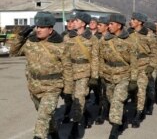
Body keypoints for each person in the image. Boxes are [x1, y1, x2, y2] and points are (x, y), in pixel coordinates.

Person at [10, 11, 74, 139]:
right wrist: (21, 36)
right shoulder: (30, 43)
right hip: (34, 87)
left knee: (43, 117)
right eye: (37, 26)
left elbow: (68, 69)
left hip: (52, 88)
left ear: (50, 29)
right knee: (45, 116)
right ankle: (54, 133)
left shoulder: (61, 46)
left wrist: (68, 90)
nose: (38, 29)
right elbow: (13, 52)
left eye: (42, 27)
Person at [99, 13, 138, 139]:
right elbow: (100, 59)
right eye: (108, 24)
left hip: (123, 76)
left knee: (117, 101)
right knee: (111, 100)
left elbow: (134, 63)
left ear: (119, 25)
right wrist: (101, 74)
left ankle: (114, 130)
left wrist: (133, 80)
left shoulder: (130, 42)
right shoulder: (104, 40)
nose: (108, 26)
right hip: (108, 77)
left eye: (111, 24)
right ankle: (123, 117)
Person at [65, 11, 99, 137]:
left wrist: (94, 76)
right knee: (74, 99)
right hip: (70, 72)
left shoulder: (92, 38)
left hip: (85, 72)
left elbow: (95, 58)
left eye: (76, 21)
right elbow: (64, 57)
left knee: (79, 98)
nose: (73, 23)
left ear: (83, 23)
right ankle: (86, 114)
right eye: (73, 21)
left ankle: (75, 126)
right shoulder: (68, 37)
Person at [128, 12, 157, 128]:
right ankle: (139, 106)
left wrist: (151, 65)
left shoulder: (149, 35)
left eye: (133, 19)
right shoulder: (128, 33)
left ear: (140, 22)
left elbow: (154, 52)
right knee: (132, 90)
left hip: (143, 66)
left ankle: (138, 114)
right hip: (131, 67)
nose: (131, 21)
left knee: (141, 90)